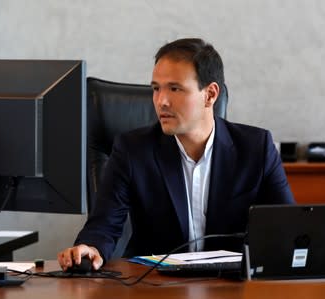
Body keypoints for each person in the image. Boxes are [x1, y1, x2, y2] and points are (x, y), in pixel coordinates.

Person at [57, 38, 295, 271]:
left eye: (175, 88)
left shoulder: (256, 148)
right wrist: (90, 248)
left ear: (210, 94)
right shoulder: (133, 150)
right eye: (156, 89)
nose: (161, 101)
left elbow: (288, 228)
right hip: (155, 286)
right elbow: (103, 226)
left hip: (232, 286)